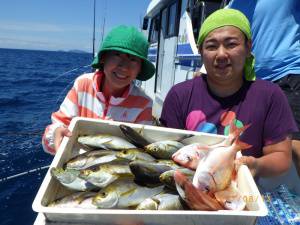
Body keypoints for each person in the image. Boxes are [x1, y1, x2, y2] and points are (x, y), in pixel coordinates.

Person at [160, 8, 299, 178]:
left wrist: (256, 166)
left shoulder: (270, 95)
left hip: (242, 188)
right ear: (200, 51)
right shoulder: (179, 95)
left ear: (248, 47)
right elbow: (167, 149)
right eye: (211, 46)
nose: (221, 54)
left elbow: (281, 156)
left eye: (231, 44)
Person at [42, 25, 155, 155]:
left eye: (133, 59)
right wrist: (56, 134)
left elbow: (140, 147)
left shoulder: (144, 103)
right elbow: (57, 128)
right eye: (117, 55)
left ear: (140, 68)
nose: (124, 66)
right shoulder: (82, 84)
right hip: (78, 163)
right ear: (103, 58)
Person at [226, 0, 300, 178]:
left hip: (289, 73)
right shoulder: (233, 5)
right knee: (255, 144)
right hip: (254, 82)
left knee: (294, 145)